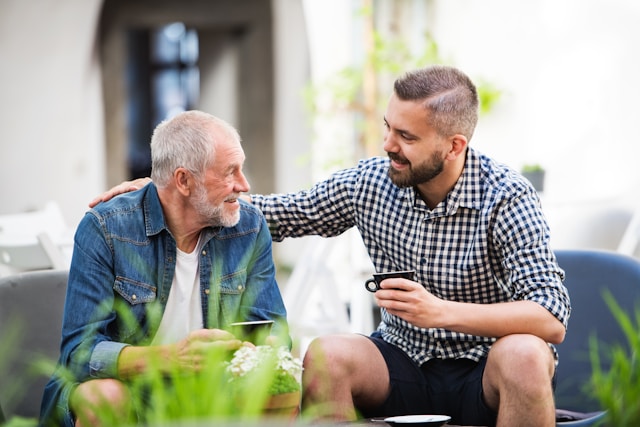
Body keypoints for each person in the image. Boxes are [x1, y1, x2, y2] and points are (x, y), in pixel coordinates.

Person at [90, 65, 571, 427]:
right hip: (402, 363)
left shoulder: (506, 196)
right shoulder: (370, 183)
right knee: (327, 354)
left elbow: (550, 317)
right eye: (387, 126)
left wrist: (441, 312)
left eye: (406, 136)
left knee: (526, 354)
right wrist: (179, 191)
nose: (387, 144)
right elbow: (274, 213)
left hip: (484, 370)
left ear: (454, 145)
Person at [41, 111, 289, 427]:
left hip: (212, 390)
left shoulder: (248, 227)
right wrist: (171, 358)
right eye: (230, 172)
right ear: (184, 180)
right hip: (128, 391)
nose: (244, 184)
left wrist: (262, 350)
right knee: (104, 398)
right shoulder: (106, 228)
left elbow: (276, 330)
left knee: (275, 385)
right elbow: (79, 354)